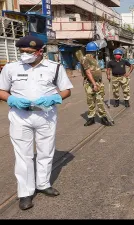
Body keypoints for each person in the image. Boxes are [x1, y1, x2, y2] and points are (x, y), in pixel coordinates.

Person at [0, 35, 73, 210]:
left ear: (40, 51)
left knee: (46, 151)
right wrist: (11, 100)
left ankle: (43, 184)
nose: (25, 55)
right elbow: (1, 90)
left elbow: (66, 90)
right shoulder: (11, 68)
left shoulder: (54, 68)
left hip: (45, 116)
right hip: (20, 116)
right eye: (23, 52)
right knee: (23, 155)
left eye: (30, 52)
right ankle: (25, 193)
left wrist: (54, 98)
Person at [79, 42, 112, 127]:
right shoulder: (85, 59)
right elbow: (88, 72)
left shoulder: (93, 58)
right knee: (91, 101)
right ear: (95, 50)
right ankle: (91, 118)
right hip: (91, 83)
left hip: (98, 82)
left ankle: (103, 118)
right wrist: (94, 84)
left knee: (100, 100)